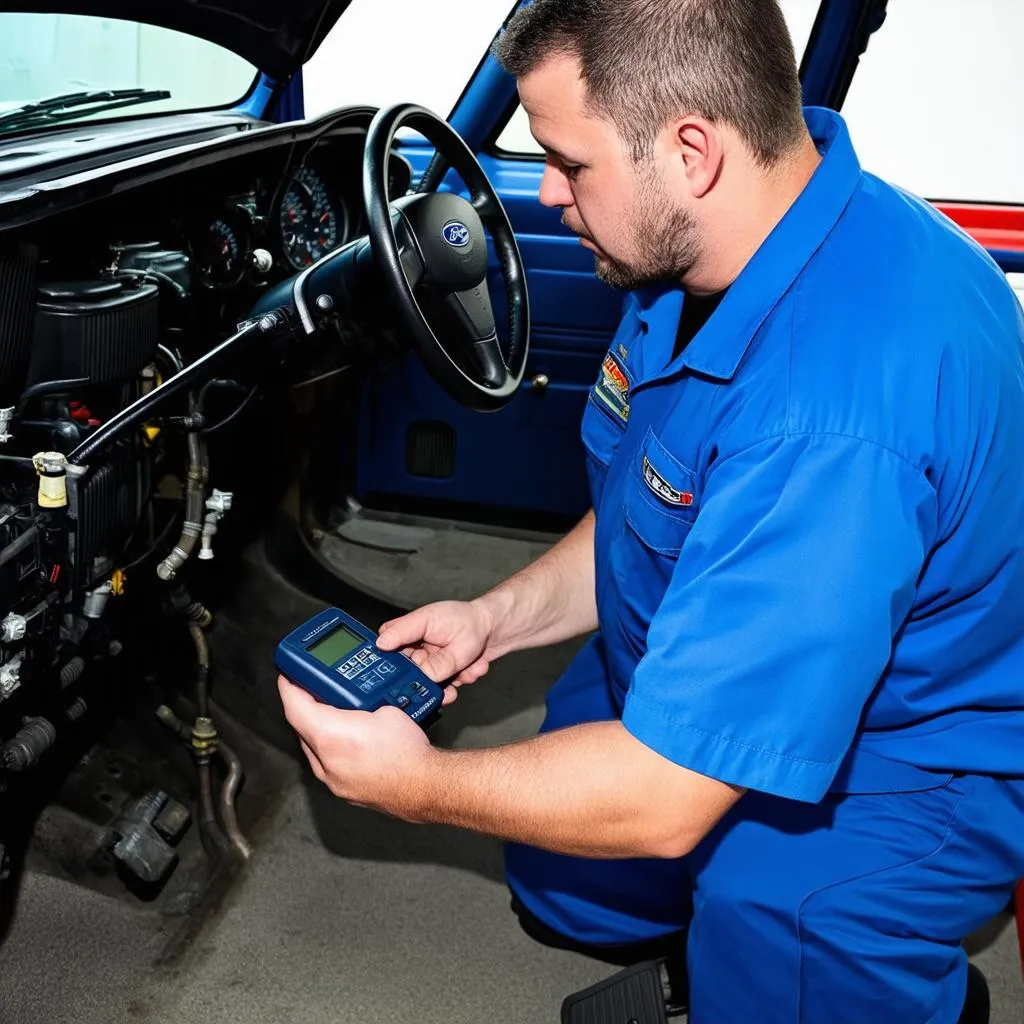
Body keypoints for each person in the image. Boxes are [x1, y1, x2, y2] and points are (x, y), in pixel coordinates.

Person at [278, 0, 1024, 1019]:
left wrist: (416, 787)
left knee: (772, 911)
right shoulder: (715, 248)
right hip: (726, 636)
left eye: (569, 163)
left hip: (904, 760)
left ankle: (873, 978)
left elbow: (664, 797)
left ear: (690, 150)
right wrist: (494, 617)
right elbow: (654, 496)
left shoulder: (831, 415)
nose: (544, 194)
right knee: (563, 880)